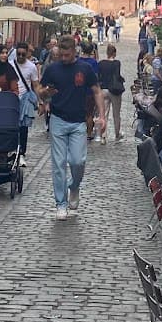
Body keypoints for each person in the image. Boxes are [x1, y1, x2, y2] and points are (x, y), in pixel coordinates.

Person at [38, 33, 99, 219]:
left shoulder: (85, 68)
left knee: (77, 161)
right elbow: (40, 91)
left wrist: (102, 116)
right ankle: (61, 203)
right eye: (60, 55)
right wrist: (45, 93)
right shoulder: (53, 69)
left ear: (74, 51)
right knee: (58, 164)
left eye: (66, 55)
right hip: (57, 119)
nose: (63, 59)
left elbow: (96, 90)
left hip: (79, 121)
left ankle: (74, 186)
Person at [8, 42, 39, 160]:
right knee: (12, 125)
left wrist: (40, 102)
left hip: (25, 98)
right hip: (12, 97)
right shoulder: (10, 65)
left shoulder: (31, 67)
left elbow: (35, 85)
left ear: (27, 53)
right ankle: (12, 148)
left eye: (23, 54)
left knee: (23, 126)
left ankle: (22, 152)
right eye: (18, 54)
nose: (20, 56)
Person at [96, 43, 124, 143]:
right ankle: (117, 134)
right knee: (116, 114)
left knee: (103, 113)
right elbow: (117, 76)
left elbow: (98, 77)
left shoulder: (101, 63)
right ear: (114, 53)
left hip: (104, 89)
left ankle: (103, 136)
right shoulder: (117, 63)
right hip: (114, 90)